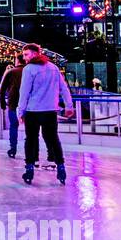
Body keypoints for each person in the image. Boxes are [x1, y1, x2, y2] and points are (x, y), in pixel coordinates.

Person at [16, 43, 74, 184]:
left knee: (31, 139)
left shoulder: (29, 69)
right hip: (49, 110)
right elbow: (64, 88)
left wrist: (20, 111)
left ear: (35, 53)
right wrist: (69, 106)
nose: (24, 58)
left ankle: (29, 168)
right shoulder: (53, 68)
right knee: (53, 139)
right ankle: (61, 167)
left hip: (33, 111)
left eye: (26, 54)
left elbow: (24, 93)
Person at [0, 55, 23, 158]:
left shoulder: (11, 72)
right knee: (31, 129)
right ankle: (32, 151)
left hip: (13, 103)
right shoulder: (30, 70)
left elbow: (1, 89)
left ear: (17, 60)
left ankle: (13, 148)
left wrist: (3, 104)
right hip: (29, 104)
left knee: (13, 126)